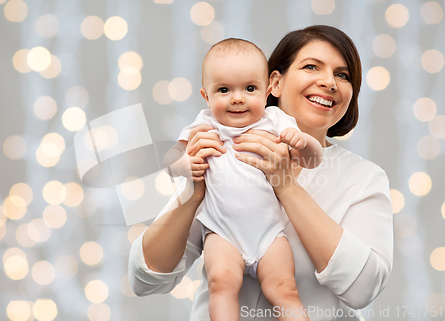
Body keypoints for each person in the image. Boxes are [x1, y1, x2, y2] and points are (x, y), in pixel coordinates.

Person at [128, 25, 393, 321]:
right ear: (275, 84)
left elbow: (364, 288)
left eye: (342, 75)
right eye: (311, 67)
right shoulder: (221, 149)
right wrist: (192, 192)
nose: (329, 82)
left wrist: (287, 186)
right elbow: (145, 279)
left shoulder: (364, 178)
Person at [164, 38, 321, 321]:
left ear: (268, 89)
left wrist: (303, 142)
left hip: (269, 234)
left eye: (250, 88)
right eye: (224, 90)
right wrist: (184, 164)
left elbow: (314, 160)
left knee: (284, 289)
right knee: (221, 285)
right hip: (222, 233)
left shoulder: (276, 121)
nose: (238, 98)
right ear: (206, 96)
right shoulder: (204, 124)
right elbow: (169, 162)